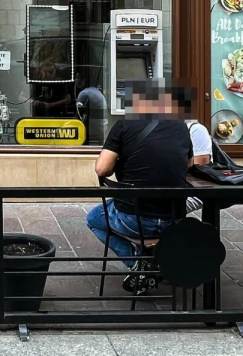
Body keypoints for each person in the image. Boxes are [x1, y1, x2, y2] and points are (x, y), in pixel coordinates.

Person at [85, 82, 210, 293]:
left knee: (94, 219)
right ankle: (149, 261)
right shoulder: (180, 126)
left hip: (133, 219)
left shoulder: (124, 126)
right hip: (175, 218)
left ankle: (138, 263)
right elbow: (189, 164)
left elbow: (102, 169)